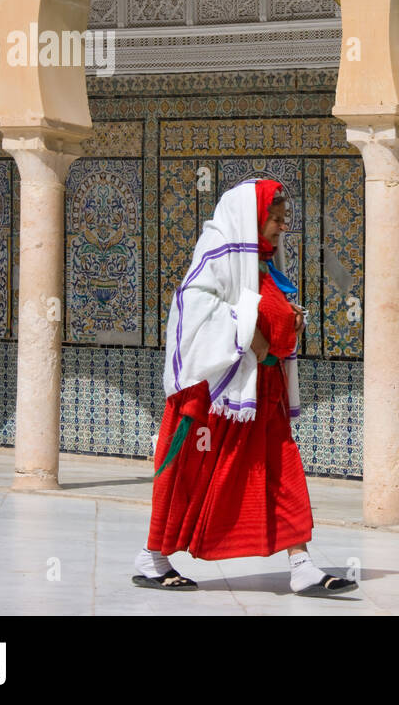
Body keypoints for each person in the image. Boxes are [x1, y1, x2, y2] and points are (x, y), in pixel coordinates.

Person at [132, 178, 355, 596]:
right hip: (213, 394)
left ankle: (302, 564)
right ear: (251, 216)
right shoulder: (218, 250)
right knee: (187, 473)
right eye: (275, 218)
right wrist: (250, 334)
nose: (280, 227)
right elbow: (192, 310)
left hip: (259, 390)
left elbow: (260, 305)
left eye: (283, 219)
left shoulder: (263, 261)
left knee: (283, 466)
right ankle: (152, 557)